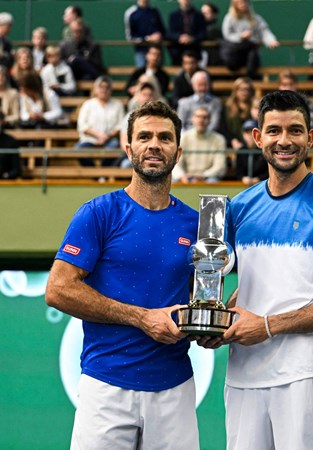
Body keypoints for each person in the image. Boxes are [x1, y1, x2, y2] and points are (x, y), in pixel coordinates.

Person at [208, 89, 313, 449]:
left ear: (310, 137)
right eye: (275, 130)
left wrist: (267, 326)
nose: (285, 140)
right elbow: (253, 285)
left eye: (295, 130)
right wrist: (217, 322)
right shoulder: (240, 206)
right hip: (243, 374)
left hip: (305, 374)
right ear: (258, 137)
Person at [45, 100, 200, 449]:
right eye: (144, 136)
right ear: (128, 148)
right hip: (106, 387)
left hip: (174, 387)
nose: (154, 145)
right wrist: (142, 318)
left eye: (164, 137)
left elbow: (197, 297)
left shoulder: (197, 223)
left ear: (178, 151)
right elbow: (58, 289)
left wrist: (207, 325)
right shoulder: (98, 213)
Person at [220, 0, 280, 79]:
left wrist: (271, 40)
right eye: (239, 2)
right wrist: (240, 36)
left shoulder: (255, 18)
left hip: (251, 54)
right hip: (236, 54)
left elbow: (264, 31)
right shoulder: (229, 18)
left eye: (244, 2)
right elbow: (227, 35)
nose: (242, 4)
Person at [75, 76, 125, 159]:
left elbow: (121, 125)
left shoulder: (118, 104)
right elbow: (82, 125)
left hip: (110, 140)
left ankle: (105, 170)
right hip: (89, 139)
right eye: (101, 87)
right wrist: (99, 135)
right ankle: (91, 170)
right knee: (78, 150)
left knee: (115, 149)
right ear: (95, 89)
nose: (104, 90)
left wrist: (107, 136)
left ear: (110, 90)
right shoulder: (87, 104)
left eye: (107, 87)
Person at [173, 106, 226, 182]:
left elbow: (220, 167)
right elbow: (176, 163)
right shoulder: (184, 137)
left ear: (209, 120)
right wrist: (182, 176)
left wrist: (202, 176)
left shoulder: (219, 139)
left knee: (213, 181)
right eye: (198, 116)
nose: (201, 120)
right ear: (192, 119)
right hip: (186, 176)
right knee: (173, 181)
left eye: (204, 117)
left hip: (207, 177)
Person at [124, 0, 165, 68]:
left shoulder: (154, 11)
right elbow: (130, 37)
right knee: (141, 75)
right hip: (141, 52)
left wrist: (159, 36)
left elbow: (162, 31)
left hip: (156, 51)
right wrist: (147, 38)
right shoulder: (131, 13)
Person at [167, 0, 207, 67]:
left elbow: (203, 34)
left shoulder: (198, 15)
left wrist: (192, 39)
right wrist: (180, 37)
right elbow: (170, 33)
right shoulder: (173, 15)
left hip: (194, 50)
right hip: (177, 52)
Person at [222, 76, 254, 152]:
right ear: (235, 91)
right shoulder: (227, 108)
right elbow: (223, 128)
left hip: (253, 143)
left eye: (247, 89)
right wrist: (232, 140)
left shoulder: (255, 108)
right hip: (232, 143)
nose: (244, 92)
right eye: (241, 89)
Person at [0, 111, 20, 179]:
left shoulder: (11, 141)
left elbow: (16, 170)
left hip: (5, 180)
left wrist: (5, 176)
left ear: (2, 122)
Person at [201, 2, 222, 66]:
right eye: (202, 13)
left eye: (207, 13)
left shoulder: (214, 29)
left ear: (214, 15)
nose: (203, 15)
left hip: (213, 63)